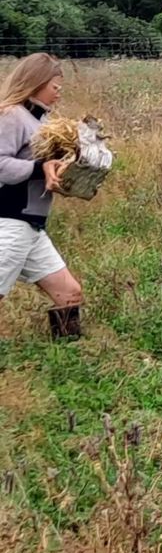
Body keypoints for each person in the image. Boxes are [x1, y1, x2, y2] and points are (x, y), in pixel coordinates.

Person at [0, 52, 85, 338]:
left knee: (69, 293)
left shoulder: (40, 122)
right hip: (10, 222)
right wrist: (41, 168)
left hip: (32, 226)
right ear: (36, 83)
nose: (58, 94)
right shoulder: (13, 115)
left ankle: (69, 366)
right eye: (55, 87)